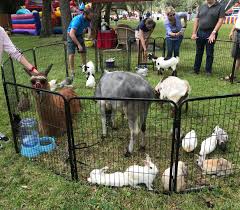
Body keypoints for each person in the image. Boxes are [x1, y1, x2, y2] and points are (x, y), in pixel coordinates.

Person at [191, 0, 225, 76]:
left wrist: (214, 33)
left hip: (211, 32)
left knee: (209, 52)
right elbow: (197, 19)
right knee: (198, 52)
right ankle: (196, 70)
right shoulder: (202, 6)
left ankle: (208, 71)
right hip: (200, 31)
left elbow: (220, 20)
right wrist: (194, 32)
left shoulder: (220, 7)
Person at [67, 8, 93, 78]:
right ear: (85, 15)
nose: (91, 17)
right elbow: (72, 34)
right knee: (71, 54)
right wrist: (78, 45)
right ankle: (72, 72)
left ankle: (84, 68)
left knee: (83, 52)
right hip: (71, 35)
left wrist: (89, 34)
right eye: (90, 16)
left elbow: (89, 27)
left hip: (79, 35)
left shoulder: (88, 19)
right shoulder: (77, 20)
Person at [225, 10, 240, 81]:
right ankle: (233, 75)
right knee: (237, 55)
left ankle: (233, 75)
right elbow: (237, 21)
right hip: (237, 32)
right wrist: (232, 31)